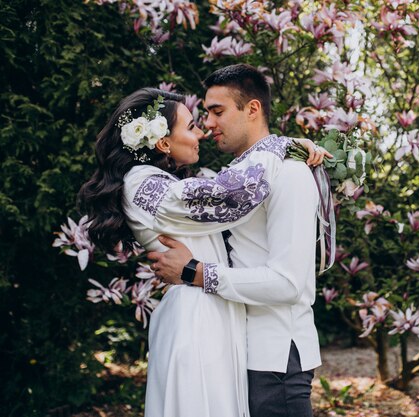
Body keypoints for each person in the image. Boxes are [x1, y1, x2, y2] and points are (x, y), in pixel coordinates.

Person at [78, 85, 327, 416]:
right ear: (163, 142)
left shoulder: (166, 181)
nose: (202, 133)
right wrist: (281, 147)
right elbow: (225, 195)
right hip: (195, 320)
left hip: (215, 314)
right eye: (191, 125)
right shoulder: (140, 183)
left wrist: (289, 153)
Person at [149, 63, 330, 417]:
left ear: (252, 109)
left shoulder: (291, 175)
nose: (209, 124)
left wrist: (194, 272)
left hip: (275, 359)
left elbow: (288, 283)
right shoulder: (235, 181)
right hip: (236, 356)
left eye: (218, 111)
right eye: (206, 114)